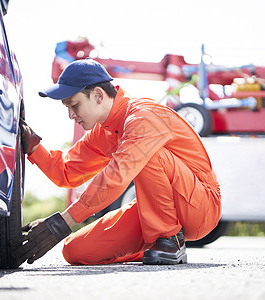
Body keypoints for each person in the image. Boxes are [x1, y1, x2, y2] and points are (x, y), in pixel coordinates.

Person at [13, 58, 222, 265]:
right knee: (75, 251)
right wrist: (32, 146)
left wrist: (63, 222)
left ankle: (169, 240)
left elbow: (117, 176)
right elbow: (67, 172)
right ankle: (154, 245)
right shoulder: (102, 132)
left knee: (145, 154)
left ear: (97, 95)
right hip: (158, 209)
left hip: (200, 206)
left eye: (74, 105)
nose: (70, 115)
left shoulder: (142, 117)